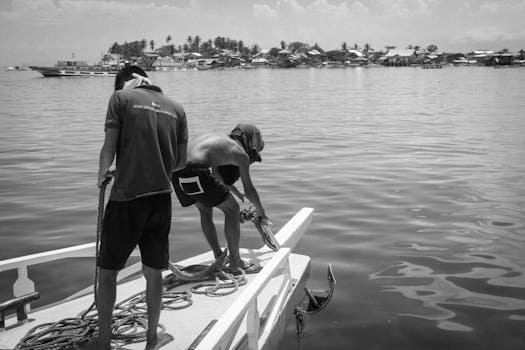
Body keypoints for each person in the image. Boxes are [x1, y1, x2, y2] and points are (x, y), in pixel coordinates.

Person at [90, 65, 187, 350]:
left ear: (124, 83)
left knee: (108, 272)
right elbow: (180, 163)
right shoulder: (177, 109)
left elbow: (109, 147)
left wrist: (102, 174)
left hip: (126, 200)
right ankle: (152, 340)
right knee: (154, 271)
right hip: (161, 200)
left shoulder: (120, 98)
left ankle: (104, 343)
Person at [172, 124, 270, 274]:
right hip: (196, 169)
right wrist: (262, 212)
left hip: (177, 171)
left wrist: (235, 192)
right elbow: (250, 191)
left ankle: (219, 257)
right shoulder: (241, 154)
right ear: (250, 141)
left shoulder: (220, 141)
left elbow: (217, 177)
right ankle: (236, 263)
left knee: (205, 210)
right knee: (233, 209)